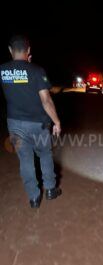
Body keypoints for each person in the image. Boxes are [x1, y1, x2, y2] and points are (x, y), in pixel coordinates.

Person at [0, 34, 62, 208]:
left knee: (25, 159)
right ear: (28, 51)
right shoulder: (36, 70)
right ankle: (50, 189)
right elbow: (46, 100)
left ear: (10, 50)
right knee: (45, 153)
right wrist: (56, 121)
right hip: (38, 124)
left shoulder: (2, 70)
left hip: (14, 124)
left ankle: (34, 198)